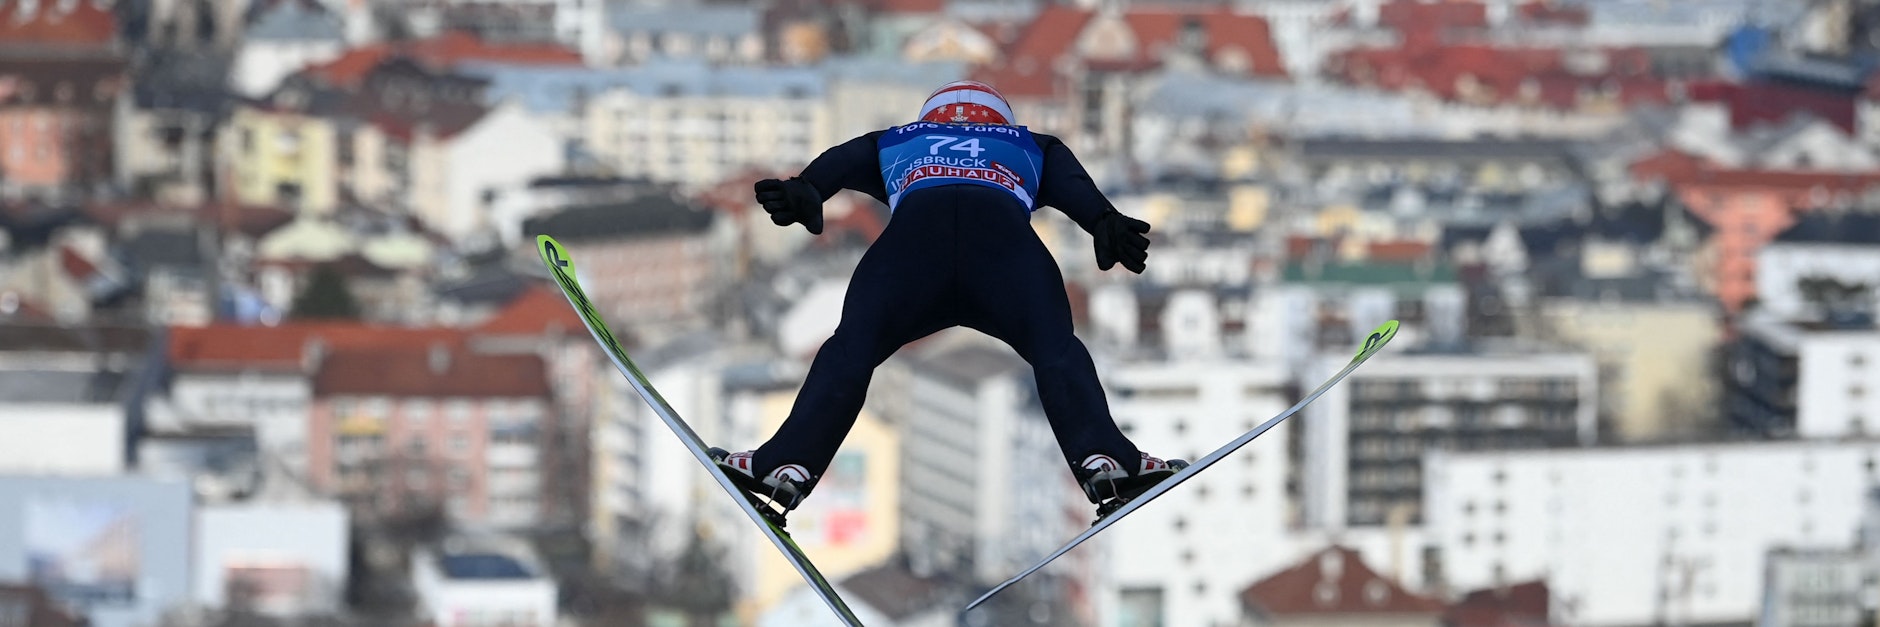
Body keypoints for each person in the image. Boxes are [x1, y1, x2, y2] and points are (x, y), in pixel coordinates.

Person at [709, 80, 1184, 515]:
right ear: (1003, 121)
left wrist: (805, 191)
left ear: (929, 119)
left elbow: (835, 165)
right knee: (1057, 351)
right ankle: (1104, 459)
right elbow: (1079, 192)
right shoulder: (1032, 145)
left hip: (911, 256)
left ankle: (784, 466)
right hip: (1006, 258)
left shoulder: (898, 139)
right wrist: (1105, 222)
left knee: (851, 350)